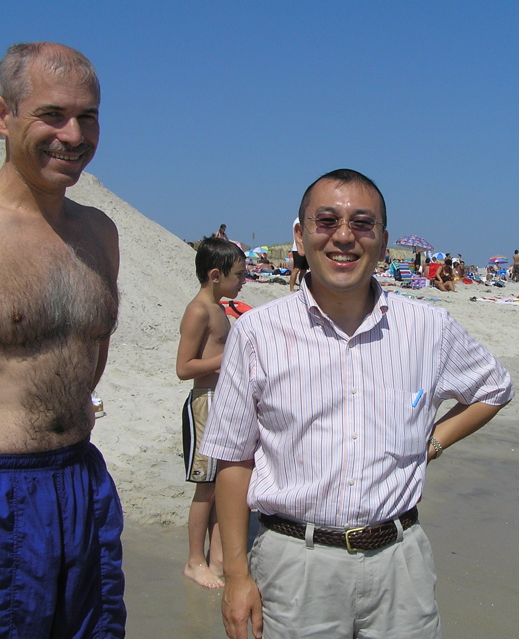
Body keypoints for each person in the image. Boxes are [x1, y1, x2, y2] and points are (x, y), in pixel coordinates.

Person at [200, 168, 513, 639]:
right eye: (326, 221)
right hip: (294, 567)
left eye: (362, 224)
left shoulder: (428, 328)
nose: (344, 236)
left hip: (400, 563)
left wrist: (433, 443)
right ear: (300, 237)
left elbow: (494, 387)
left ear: (382, 242)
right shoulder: (257, 333)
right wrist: (237, 575)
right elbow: (233, 458)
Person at [0, 42, 125, 637]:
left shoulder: (100, 234)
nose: (73, 135)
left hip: (79, 488)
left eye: (87, 117)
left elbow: (88, 358)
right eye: (51, 114)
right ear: (3, 115)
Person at [176, 237, 246, 589]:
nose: (244, 281)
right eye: (239, 275)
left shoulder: (220, 308)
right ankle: (194, 560)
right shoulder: (199, 310)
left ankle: (217, 558)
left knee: (221, 483)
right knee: (205, 487)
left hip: (224, 403)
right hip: (204, 403)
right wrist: (226, 359)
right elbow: (184, 367)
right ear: (216, 275)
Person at [289, 216, 308, 292]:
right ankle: (291, 288)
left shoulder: (304, 219)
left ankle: (301, 286)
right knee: (297, 269)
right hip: (298, 248)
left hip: (305, 248)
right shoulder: (298, 221)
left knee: (304, 270)